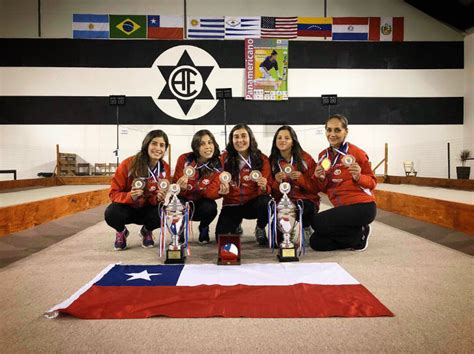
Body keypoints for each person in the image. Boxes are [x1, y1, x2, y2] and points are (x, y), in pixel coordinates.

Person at [310, 114, 377, 251]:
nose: (332, 134)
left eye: (337, 130)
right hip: (342, 209)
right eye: (329, 130)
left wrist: (358, 177)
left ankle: (359, 231)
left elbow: (372, 183)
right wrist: (320, 178)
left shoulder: (356, 153)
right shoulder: (323, 156)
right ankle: (357, 237)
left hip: (362, 207)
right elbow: (322, 188)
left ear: (346, 131)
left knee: (317, 221)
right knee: (316, 242)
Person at [104, 130, 170, 251]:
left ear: (165, 149)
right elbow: (113, 193)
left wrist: (157, 198)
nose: (158, 148)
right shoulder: (128, 164)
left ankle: (147, 231)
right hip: (127, 208)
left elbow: (159, 195)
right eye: (154, 143)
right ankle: (121, 232)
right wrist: (130, 196)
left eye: (162, 145)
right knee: (111, 213)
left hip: (147, 208)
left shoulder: (165, 168)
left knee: (163, 211)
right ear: (146, 145)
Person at [215, 124, 272, 245]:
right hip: (231, 205)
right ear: (231, 140)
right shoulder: (223, 158)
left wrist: (264, 186)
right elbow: (215, 181)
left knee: (267, 202)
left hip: (253, 204)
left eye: (243, 136)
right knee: (221, 240)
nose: (240, 140)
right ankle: (236, 224)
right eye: (236, 137)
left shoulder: (262, 159)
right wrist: (220, 190)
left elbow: (269, 187)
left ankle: (260, 227)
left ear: (250, 138)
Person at [269, 126, 320, 241]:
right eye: (279, 138)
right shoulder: (272, 161)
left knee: (307, 207)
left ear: (293, 142)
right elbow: (270, 191)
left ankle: (306, 227)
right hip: (283, 204)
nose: (283, 140)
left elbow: (315, 187)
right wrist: (276, 182)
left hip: (304, 201)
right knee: (278, 241)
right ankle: (288, 230)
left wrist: (301, 178)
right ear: (275, 141)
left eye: (287, 138)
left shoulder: (306, 159)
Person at [172, 130, 222, 244]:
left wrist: (218, 192)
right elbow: (175, 188)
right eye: (202, 143)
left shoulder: (217, 164)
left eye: (210, 142)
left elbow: (212, 193)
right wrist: (181, 188)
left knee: (211, 207)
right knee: (176, 204)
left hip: (202, 202)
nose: (208, 147)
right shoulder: (184, 160)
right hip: (184, 199)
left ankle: (204, 227)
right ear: (196, 147)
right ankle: (179, 230)